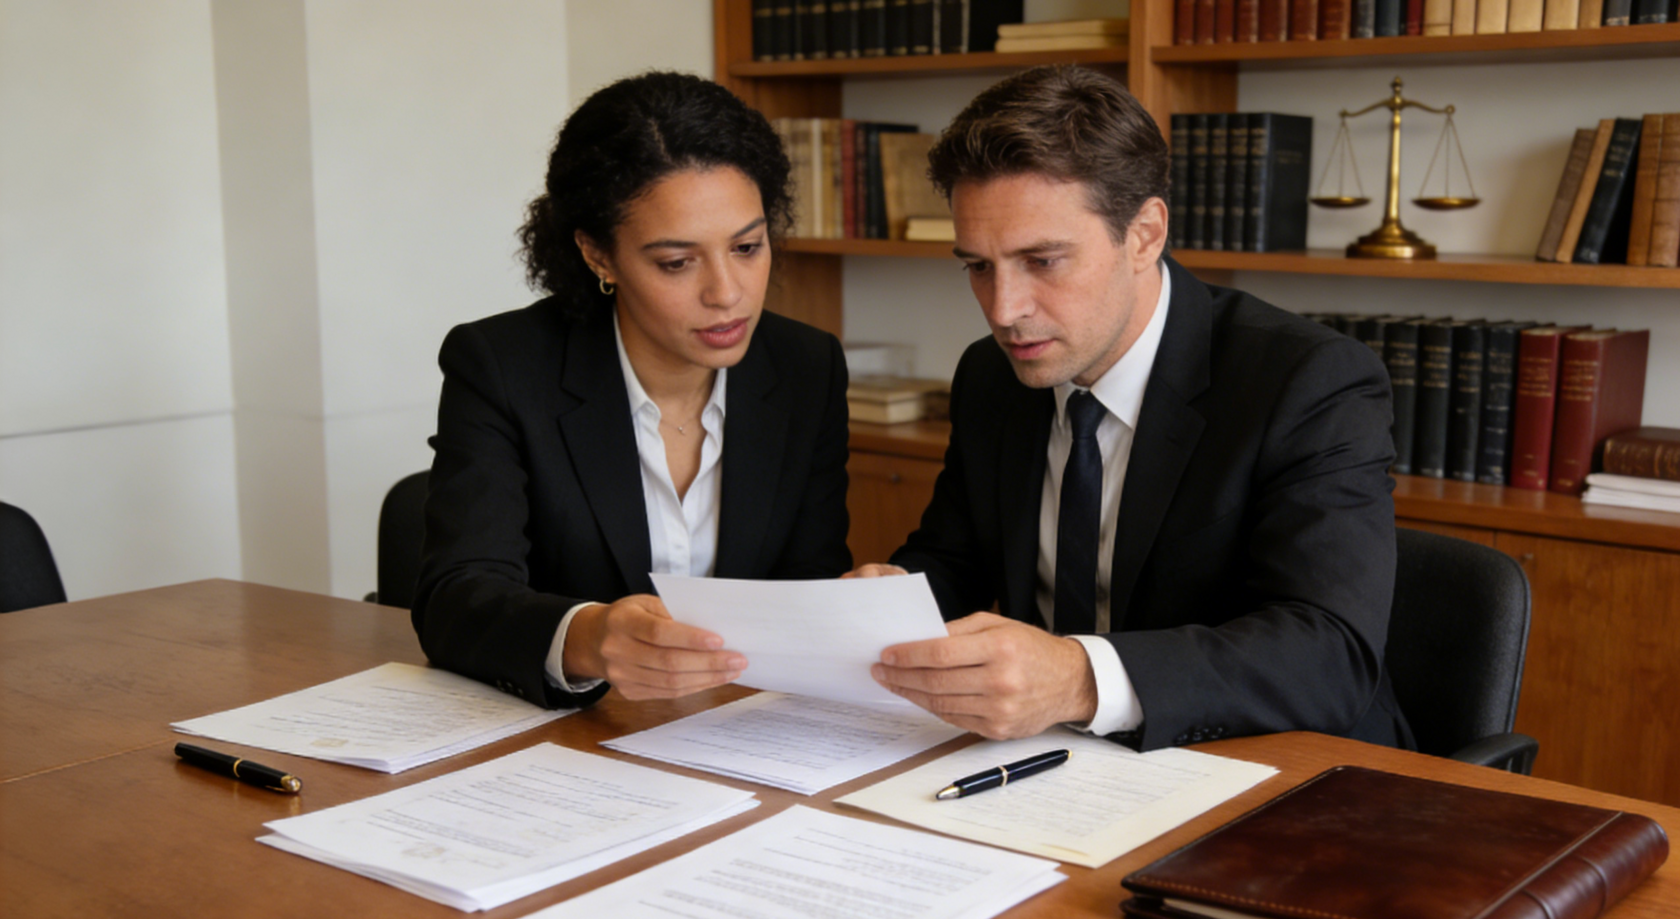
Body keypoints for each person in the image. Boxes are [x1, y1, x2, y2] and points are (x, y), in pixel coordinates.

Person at [855, 65, 1411, 752]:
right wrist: (886, 603)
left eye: (1044, 261)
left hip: (1272, 767)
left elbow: (1329, 653)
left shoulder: (1307, 380)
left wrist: (1081, 678)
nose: (1004, 311)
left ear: (1145, 234)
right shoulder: (991, 376)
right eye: (977, 266)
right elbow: (956, 556)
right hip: (1053, 760)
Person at [413, 71, 852, 710]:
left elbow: (809, 587)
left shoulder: (807, 366)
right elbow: (454, 598)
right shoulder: (504, 365)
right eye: (677, 262)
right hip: (574, 742)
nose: (727, 293)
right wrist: (589, 637)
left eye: (748, 247)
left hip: (746, 739)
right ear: (598, 255)